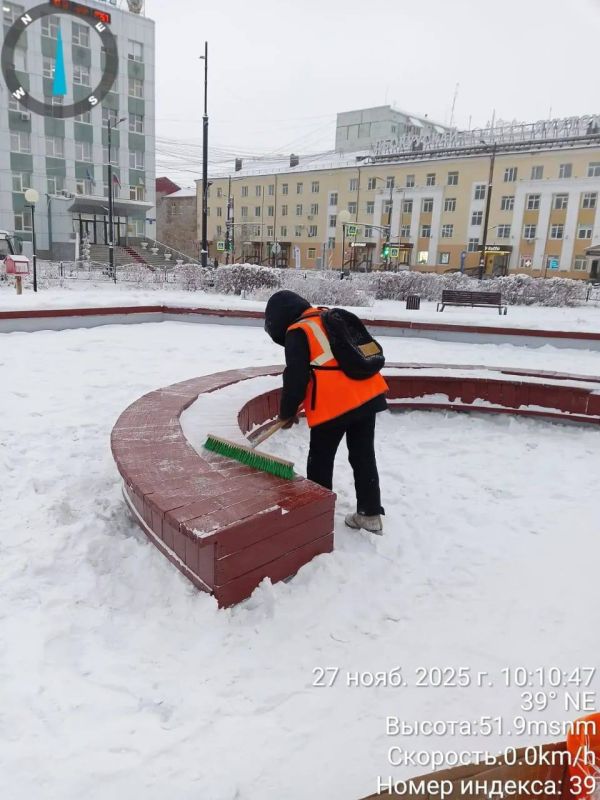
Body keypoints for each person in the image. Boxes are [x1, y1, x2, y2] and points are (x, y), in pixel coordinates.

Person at [264, 290, 388, 534]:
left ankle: (317, 517)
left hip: (334, 405)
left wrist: (286, 413)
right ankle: (370, 514)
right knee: (363, 455)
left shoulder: (298, 331)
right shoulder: (328, 317)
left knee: (320, 459)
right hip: (368, 394)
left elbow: (295, 379)